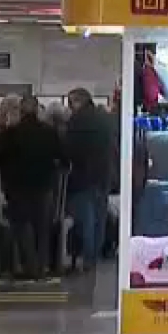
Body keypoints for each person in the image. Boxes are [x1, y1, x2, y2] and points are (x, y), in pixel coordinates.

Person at [0, 97, 63, 282]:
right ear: (37, 111)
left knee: (21, 226)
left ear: (21, 111)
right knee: (42, 228)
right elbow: (62, 158)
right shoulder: (49, 133)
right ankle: (41, 266)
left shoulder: (9, 134)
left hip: (16, 188)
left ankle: (29, 265)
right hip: (43, 186)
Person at [62, 89, 115, 271]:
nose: (70, 107)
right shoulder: (104, 120)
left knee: (85, 220)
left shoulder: (75, 122)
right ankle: (93, 257)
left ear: (78, 102)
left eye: (71, 103)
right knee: (99, 218)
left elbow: (68, 150)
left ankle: (87, 258)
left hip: (81, 177)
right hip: (103, 176)